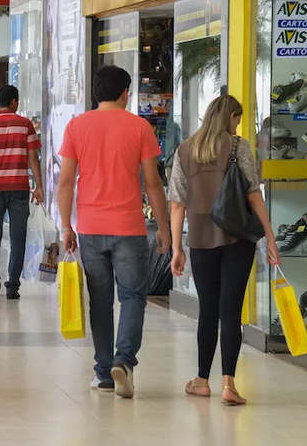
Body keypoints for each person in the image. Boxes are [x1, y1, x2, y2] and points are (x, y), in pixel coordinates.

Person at [57, 65, 171, 399]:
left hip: (90, 228)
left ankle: (104, 373)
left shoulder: (77, 126)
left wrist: (66, 225)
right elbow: (153, 183)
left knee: (101, 301)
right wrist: (163, 227)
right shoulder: (139, 127)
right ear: (125, 93)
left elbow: (65, 182)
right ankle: (124, 361)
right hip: (130, 228)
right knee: (134, 297)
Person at [169, 95, 281, 406]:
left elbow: (177, 203)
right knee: (230, 311)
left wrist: (177, 248)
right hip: (237, 238)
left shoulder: (185, 150)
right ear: (229, 117)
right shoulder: (238, 146)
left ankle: (202, 380)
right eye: (237, 119)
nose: (237, 126)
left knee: (208, 309)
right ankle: (229, 384)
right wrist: (270, 238)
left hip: (201, 241)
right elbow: (253, 194)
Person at [0, 85, 44, 300]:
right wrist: (39, 187)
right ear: (15, 102)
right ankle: (13, 286)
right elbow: (33, 158)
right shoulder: (26, 125)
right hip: (19, 188)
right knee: (18, 237)